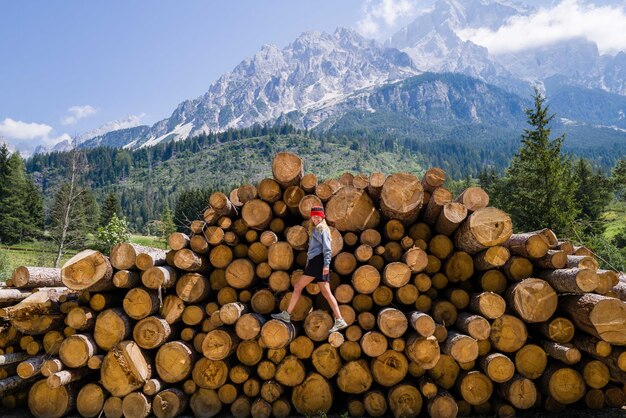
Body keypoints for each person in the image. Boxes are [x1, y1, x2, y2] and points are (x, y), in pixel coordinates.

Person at [272, 205, 348, 333]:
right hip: (317, 262)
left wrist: (326, 265)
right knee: (327, 293)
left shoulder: (322, 229)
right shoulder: (316, 229)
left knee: (297, 287)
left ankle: (286, 314)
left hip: (318, 263)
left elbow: (327, 249)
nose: (316, 219)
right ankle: (340, 320)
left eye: (318, 216)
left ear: (322, 217)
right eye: (314, 216)